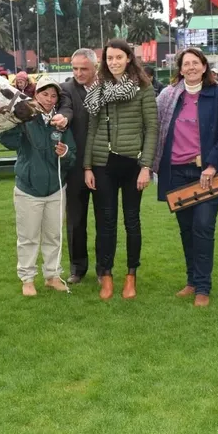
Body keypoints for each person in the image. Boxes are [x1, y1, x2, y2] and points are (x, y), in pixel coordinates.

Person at [152, 48, 218, 306]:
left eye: (195, 63)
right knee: (186, 229)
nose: (191, 67)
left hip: (206, 173)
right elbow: (156, 127)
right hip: (176, 172)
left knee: (203, 227)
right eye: (186, 64)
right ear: (180, 68)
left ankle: (203, 288)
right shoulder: (168, 95)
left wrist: (212, 165)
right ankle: (191, 281)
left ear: (205, 65)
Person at [83, 39, 159, 300]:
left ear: (129, 58)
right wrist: (87, 166)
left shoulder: (143, 88)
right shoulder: (98, 90)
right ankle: (106, 276)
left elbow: (152, 130)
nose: (113, 62)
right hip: (102, 164)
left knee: (131, 221)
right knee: (105, 222)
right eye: (109, 58)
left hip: (132, 164)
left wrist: (146, 166)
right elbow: (92, 130)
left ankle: (131, 275)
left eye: (118, 57)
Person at [0, 75, 77, 296]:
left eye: (53, 96)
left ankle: (52, 275)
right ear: (36, 94)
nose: (49, 99)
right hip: (28, 190)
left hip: (56, 189)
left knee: (54, 236)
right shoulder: (26, 119)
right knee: (28, 237)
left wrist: (66, 152)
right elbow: (7, 140)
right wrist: (17, 120)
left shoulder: (61, 123)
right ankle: (27, 279)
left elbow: (73, 155)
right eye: (45, 94)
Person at [54, 48, 98, 284]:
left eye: (84, 69)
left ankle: (104, 269)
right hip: (76, 166)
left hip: (103, 165)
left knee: (105, 220)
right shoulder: (66, 89)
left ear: (95, 68)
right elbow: (66, 108)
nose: (78, 73)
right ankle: (77, 269)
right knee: (75, 220)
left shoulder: (107, 87)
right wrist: (64, 119)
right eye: (75, 68)